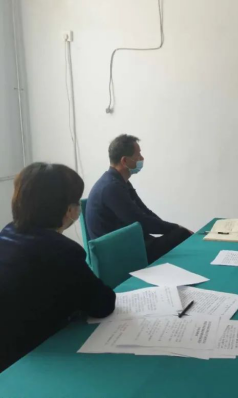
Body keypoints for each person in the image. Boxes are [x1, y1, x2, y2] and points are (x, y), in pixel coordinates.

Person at [0, 163, 115, 373]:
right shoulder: (63, 251)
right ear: (68, 210)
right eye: (76, 202)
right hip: (31, 363)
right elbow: (103, 304)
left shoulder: (6, 233)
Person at [86, 134, 192, 264]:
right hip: (118, 254)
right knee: (181, 235)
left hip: (130, 242)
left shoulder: (119, 182)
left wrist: (172, 228)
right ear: (125, 161)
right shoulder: (111, 188)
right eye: (138, 155)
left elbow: (145, 212)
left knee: (178, 233)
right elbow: (141, 221)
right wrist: (175, 228)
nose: (142, 158)